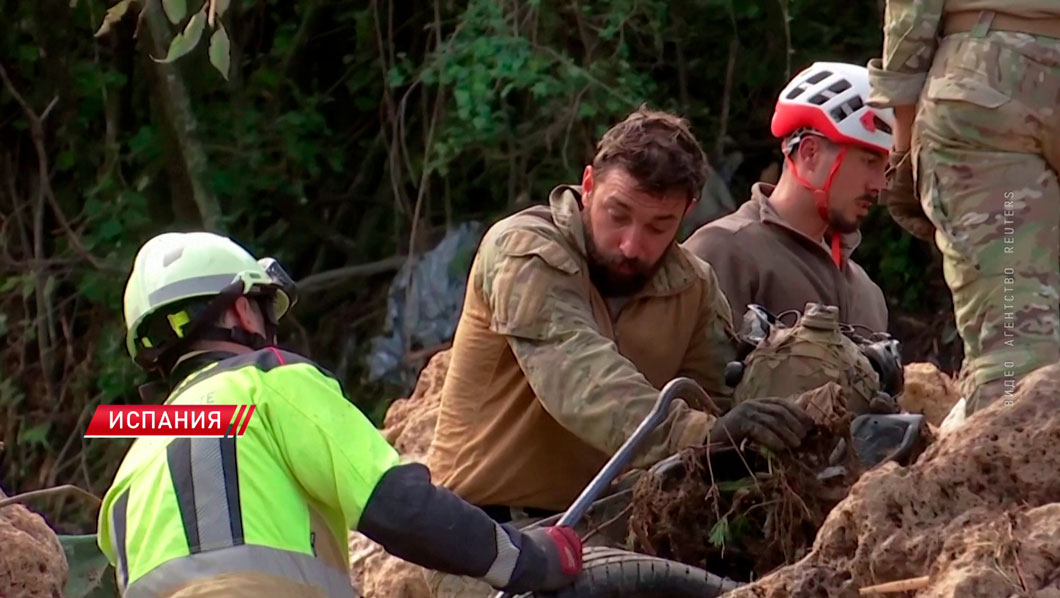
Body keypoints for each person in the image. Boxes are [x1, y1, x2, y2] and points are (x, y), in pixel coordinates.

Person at [95, 231, 583, 598]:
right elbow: (398, 507)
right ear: (242, 310)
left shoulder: (133, 463)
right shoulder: (269, 381)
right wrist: (528, 559)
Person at [425, 108, 813, 531]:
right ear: (588, 185)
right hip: (476, 535)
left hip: (601, 529)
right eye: (618, 215)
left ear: (687, 213)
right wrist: (701, 435)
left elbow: (722, 399)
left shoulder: (693, 285)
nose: (632, 244)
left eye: (658, 226)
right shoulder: (523, 250)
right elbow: (580, 375)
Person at [866, 4, 1060, 415]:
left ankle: (1014, 463)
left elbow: (912, 10)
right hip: (992, 93)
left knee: (1014, 346)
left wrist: (903, 137)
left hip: (989, 84)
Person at [682, 62, 892, 335]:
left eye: (885, 169)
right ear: (810, 153)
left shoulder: (867, 293)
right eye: (868, 162)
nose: (880, 185)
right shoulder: (724, 252)